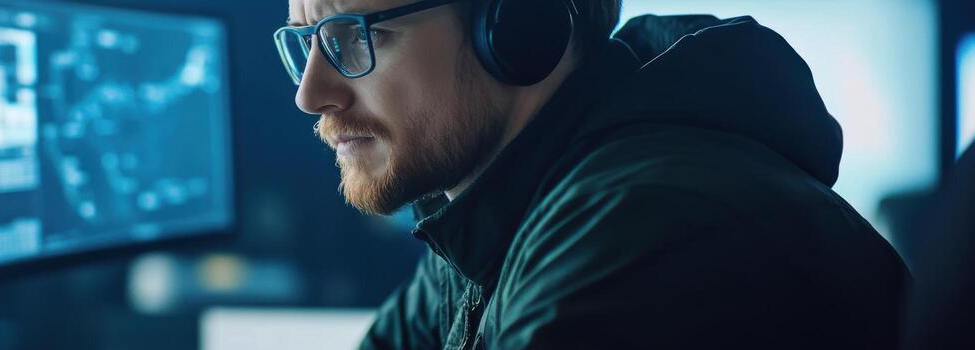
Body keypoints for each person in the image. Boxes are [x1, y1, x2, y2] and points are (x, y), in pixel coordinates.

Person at [273, 0, 908, 348]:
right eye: (306, 42)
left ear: (517, 26)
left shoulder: (644, 229)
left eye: (354, 36)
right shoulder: (490, 217)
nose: (311, 93)